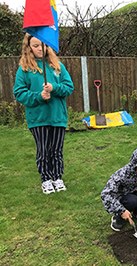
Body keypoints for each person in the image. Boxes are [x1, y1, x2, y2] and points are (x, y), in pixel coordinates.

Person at [13, 33, 74, 194]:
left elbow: (68, 87)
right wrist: (38, 96)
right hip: (38, 118)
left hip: (57, 117)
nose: (41, 48)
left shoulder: (57, 66)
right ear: (29, 48)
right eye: (36, 45)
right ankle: (46, 178)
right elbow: (19, 93)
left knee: (56, 150)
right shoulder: (24, 69)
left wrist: (54, 88)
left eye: (43, 44)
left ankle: (57, 176)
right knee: (44, 150)